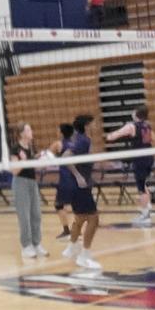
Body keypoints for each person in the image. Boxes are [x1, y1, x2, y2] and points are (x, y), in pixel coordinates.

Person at [62, 115, 102, 270]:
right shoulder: (83, 141)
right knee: (93, 219)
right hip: (79, 186)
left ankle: (72, 247)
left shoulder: (80, 139)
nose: (95, 125)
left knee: (79, 218)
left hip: (76, 185)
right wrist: (78, 176)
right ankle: (85, 256)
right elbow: (66, 157)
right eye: (93, 123)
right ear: (86, 126)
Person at [106, 105, 154, 228]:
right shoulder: (147, 125)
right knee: (144, 184)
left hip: (140, 159)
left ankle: (145, 216)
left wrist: (109, 136)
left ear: (136, 114)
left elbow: (116, 135)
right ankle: (148, 209)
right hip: (149, 156)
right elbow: (153, 139)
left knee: (141, 188)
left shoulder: (132, 126)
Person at [11, 124, 47, 259]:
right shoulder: (15, 149)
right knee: (24, 216)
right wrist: (23, 160)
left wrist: (42, 161)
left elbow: (33, 167)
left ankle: (36, 244)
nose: (31, 131)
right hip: (20, 183)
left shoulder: (32, 147)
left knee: (36, 214)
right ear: (21, 134)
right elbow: (14, 171)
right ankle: (26, 246)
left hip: (32, 182)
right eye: (28, 130)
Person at [50, 122, 75, 239]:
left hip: (66, 178)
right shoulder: (75, 144)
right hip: (77, 178)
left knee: (59, 205)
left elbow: (47, 155)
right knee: (76, 205)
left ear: (61, 132)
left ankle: (67, 231)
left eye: (58, 129)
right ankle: (77, 229)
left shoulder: (58, 144)